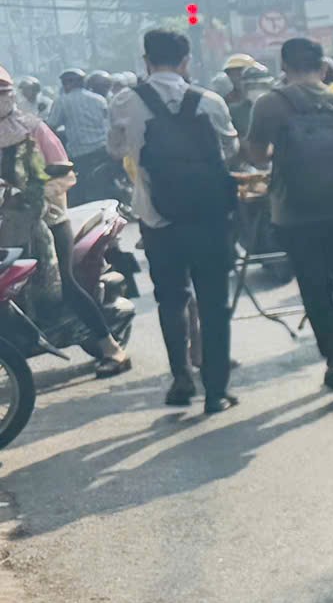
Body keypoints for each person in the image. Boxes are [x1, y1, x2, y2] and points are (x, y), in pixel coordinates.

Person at [240, 38, 333, 402]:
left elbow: (258, 158)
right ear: (323, 67)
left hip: (294, 214)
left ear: (284, 68)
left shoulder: (270, 104)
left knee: (314, 286)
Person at [108, 30, 239, 413]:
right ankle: (216, 391)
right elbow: (229, 149)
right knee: (214, 303)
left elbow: (115, 150)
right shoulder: (210, 101)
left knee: (171, 299)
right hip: (209, 216)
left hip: (156, 216)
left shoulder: (125, 101)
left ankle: (180, 378)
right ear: (186, 62)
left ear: (146, 61)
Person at [0, 70, 130, 377]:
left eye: (2, 92)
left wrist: (31, 198)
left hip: (47, 220)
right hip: (5, 226)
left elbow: (63, 175)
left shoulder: (32, 129)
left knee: (68, 285)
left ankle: (113, 348)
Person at [50, 69, 120, 204]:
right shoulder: (99, 99)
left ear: (67, 84)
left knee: (78, 192)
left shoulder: (62, 101)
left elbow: (51, 125)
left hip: (79, 153)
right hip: (103, 149)